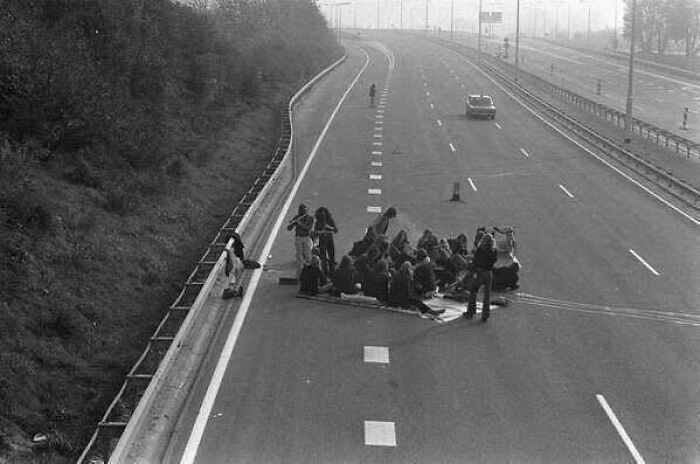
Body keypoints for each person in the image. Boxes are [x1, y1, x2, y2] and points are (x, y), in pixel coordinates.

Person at [465, 233, 498, 322]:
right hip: (489, 273)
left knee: (473, 291)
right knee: (487, 295)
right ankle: (485, 315)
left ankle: (471, 311)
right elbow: (494, 261)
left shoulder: (480, 250)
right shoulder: (494, 251)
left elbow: (476, 261)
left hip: (480, 272)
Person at [287, 204, 314, 277]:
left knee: (308, 256)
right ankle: (299, 274)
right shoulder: (297, 217)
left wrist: (299, 223)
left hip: (306, 237)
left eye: (304, 211)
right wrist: (291, 224)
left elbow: (308, 228)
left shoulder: (310, 218)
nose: (302, 213)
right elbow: (289, 229)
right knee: (299, 257)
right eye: (300, 211)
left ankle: (309, 274)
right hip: (298, 238)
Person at [313, 207, 338, 278]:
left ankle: (332, 273)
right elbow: (315, 233)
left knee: (332, 257)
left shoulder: (330, 220)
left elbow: (336, 230)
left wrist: (330, 227)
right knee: (323, 258)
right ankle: (324, 273)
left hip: (330, 241)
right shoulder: (318, 222)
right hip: (322, 242)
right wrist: (319, 232)